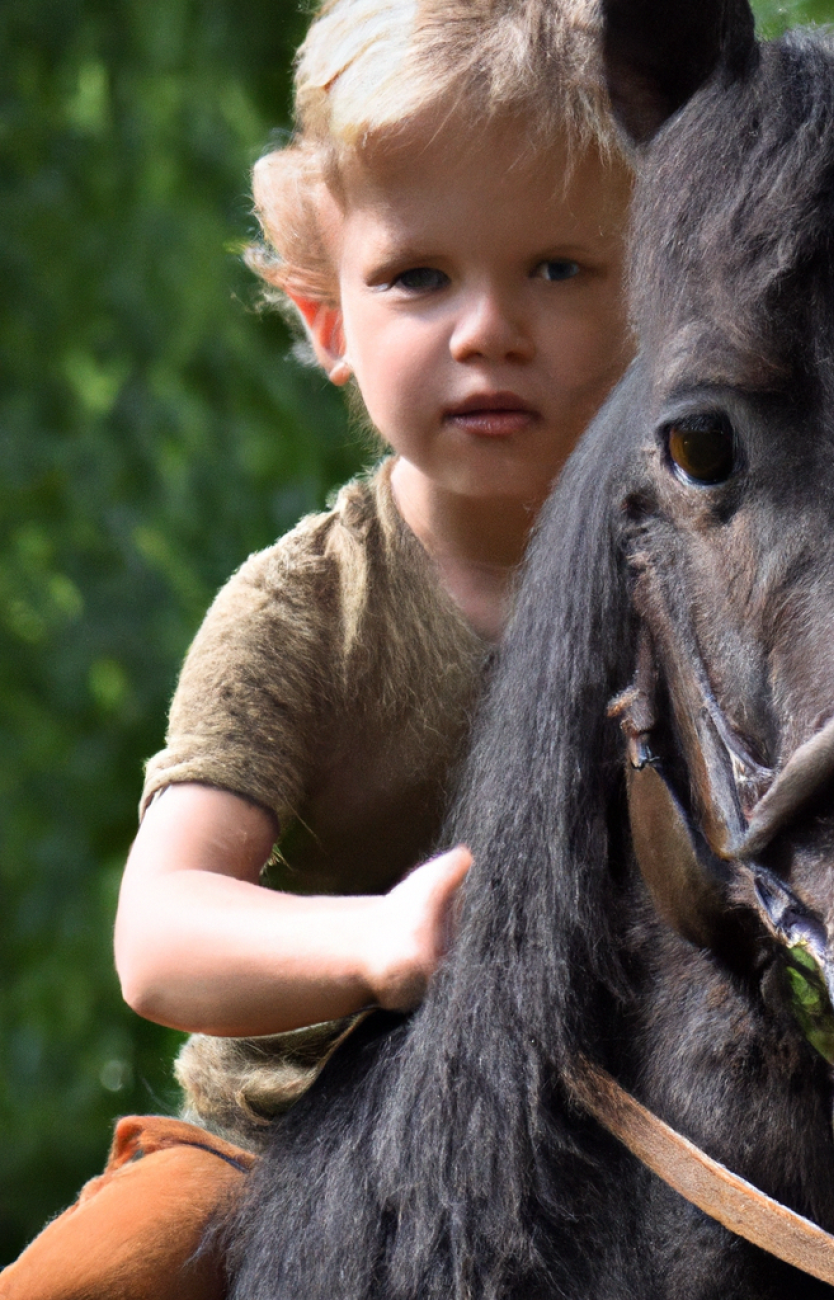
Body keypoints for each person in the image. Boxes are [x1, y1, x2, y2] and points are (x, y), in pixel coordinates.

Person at [0, 0, 632, 1295]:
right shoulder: (301, 611)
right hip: (273, 1152)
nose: (488, 330)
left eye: (558, 269)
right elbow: (160, 934)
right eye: (420, 277)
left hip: (626, 1131)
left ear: (656, 296)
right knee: (84, 1284)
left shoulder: (690, 570)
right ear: (328, 319)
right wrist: (372, 943)